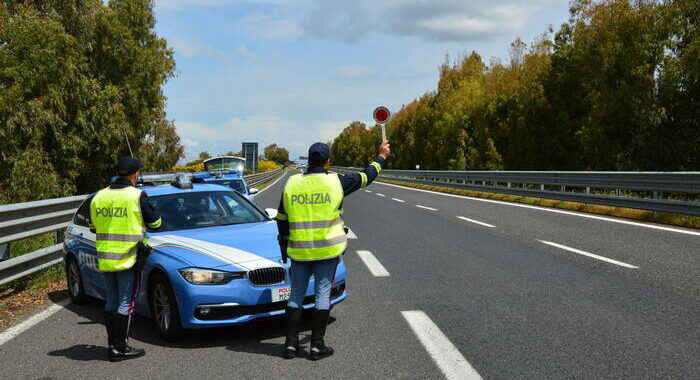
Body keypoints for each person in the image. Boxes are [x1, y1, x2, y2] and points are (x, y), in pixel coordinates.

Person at [276, 140, 391, 360]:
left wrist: (284, 246)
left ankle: (290, 345)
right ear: (328, 162)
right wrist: (382, 157)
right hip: (327, 251)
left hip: (299, 251)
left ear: (308, 162)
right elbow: (367, 176)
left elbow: (281, 219)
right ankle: (317, 346)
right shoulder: (335, 182)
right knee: (322, 295)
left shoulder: (291, 184)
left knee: (295, 296)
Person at [89, 157, 162, 362]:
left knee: (111, 300)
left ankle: (113, 345)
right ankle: (120, 348)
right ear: (135, 174)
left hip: (105, 257)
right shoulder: (137, 196)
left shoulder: (99, 196)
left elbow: (94, 227)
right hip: (128, 258)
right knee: (126, 303)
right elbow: (156, 223)